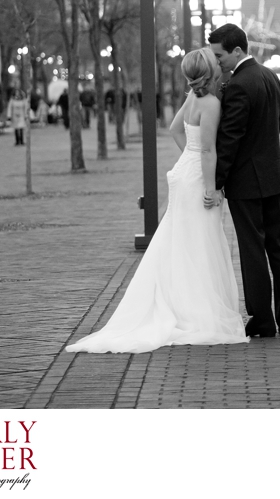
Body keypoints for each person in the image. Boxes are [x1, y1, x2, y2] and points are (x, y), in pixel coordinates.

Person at [66, 49, 248, 354]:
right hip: (197, 178)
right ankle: (196, 312)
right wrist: (213, 187)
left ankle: (178, 303)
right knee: (200, 243)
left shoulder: (191, 98)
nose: (219, 63)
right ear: (208, 70)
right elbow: (207, 151)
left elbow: (176, 130)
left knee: (180, 241)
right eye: (214, 61)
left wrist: (188, 157)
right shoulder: (211, 103)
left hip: (182, 173)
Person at [208, 23, 280, 337]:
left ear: (236, 50)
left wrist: (216, 181)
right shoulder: (270, 77)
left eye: (220, 55)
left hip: (247, 182)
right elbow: (274, 126)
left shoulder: (238, 85)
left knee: (252, 250)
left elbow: (230, 139)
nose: (217, 61)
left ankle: (262, 320)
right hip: (275, 176)